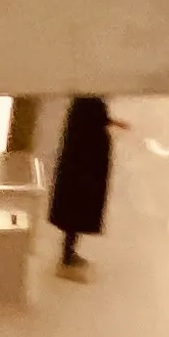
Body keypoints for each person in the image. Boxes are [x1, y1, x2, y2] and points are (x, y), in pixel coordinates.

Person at [48, 95, 116, 274]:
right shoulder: (88, 104)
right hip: (84, 173)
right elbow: (93, 123)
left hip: (79, 172)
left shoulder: (81, 106)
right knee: (76, 212)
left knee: (73, 215)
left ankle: (68, 253)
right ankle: (67, 256)